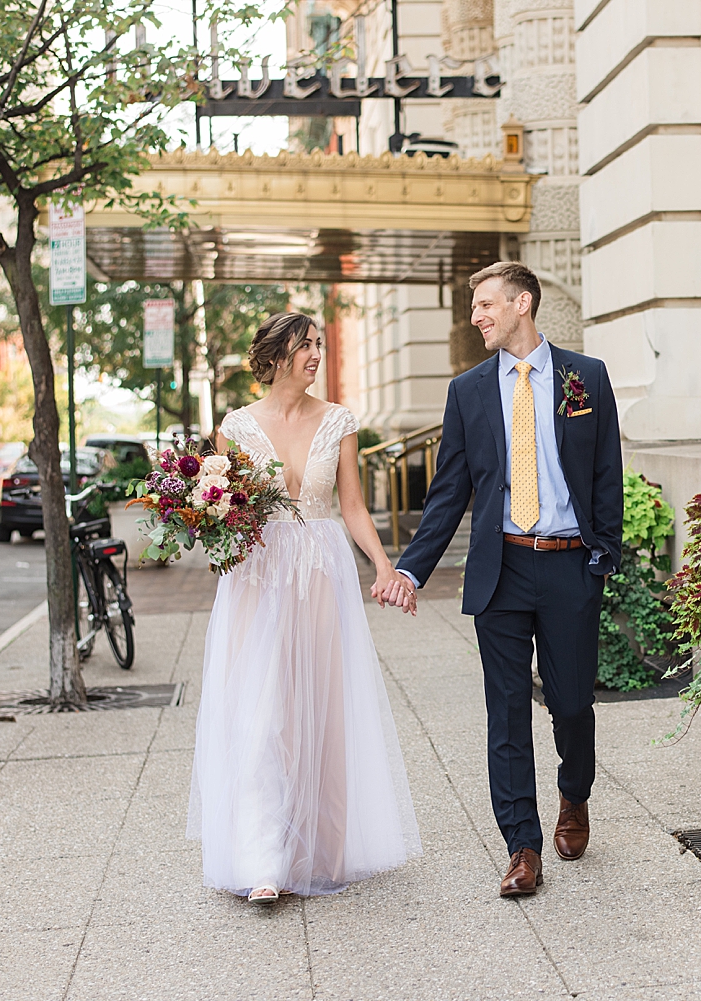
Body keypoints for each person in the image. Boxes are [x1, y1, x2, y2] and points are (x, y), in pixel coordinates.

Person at [378, 262, 623, 897]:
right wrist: (410, 568)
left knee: (571, 703)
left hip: (570, 561)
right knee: (507, 711)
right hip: (502, 569)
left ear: (522, 303)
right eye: (472, 306)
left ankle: (575, 793)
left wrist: (604, 555)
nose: (476, 316)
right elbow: (448, 491)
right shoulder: (467, 392)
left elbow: (606, 473)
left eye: (486, 304)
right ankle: (522, 845)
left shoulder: (585, 377)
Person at [187, 312, 421, 903]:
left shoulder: (339, 420)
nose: (314, 354)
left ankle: (318, 850)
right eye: (303, 346)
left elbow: (352, 506)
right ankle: (263, 857)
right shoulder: (234, 429)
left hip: (321, 573)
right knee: (261, 712)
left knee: (317, 710)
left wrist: (384, 564)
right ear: (273, 356)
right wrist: (205, 522)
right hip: (257, 576)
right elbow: (225, 510)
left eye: (317, 344)